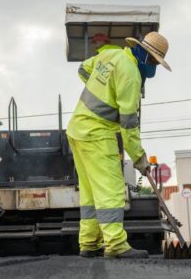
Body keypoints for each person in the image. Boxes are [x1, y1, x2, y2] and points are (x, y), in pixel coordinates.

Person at [67, 31, 171, 258]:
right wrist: (139, 159)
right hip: (97, 133)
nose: (153, 66)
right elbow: (129, 126)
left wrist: (104, 88)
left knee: (91, 193)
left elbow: (83, 69)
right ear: (145, 56)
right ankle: (115, 245)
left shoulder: (111, 55)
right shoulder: (132, 75)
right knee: (111, 190)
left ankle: (89, 242)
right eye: (153, 61)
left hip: (77, 128)